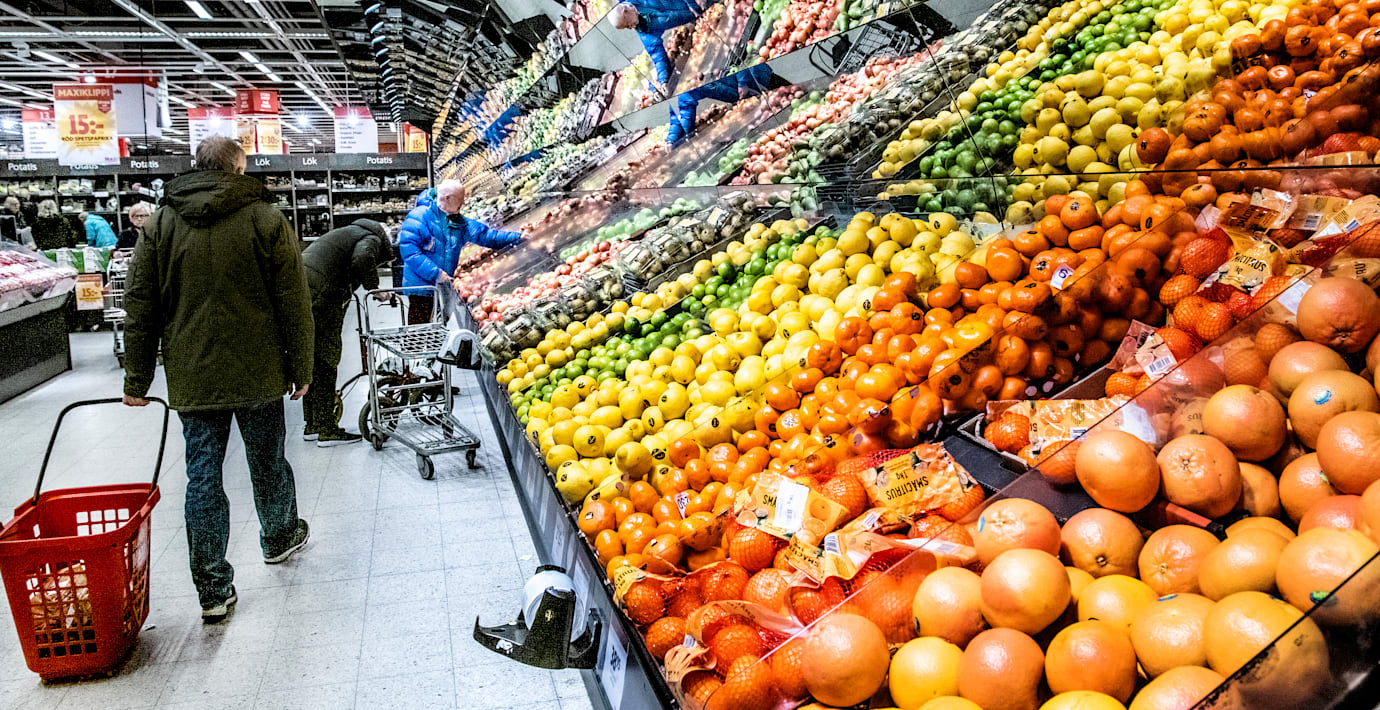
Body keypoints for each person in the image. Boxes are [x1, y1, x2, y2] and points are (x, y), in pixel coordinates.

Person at [122, 136, 314, 623]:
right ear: (237, 169)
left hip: (194, 375)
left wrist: (137, 379)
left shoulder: (160, 224)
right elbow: (294, 299)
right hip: (259, 369)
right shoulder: (265, 218)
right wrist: (302, 367)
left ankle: (212, 589)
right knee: (267, 460)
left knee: (203, 477)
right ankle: (279, 536)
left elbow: (140, 303)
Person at [300, 218, 391, 445]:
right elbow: (362, 259)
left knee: (314, 360)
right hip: (321, 296)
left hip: (304, 291)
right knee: (326, 359)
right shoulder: (370, 238)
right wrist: (374, 288)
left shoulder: (349, 232)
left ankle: (313, 424)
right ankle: (327, 430)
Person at [399, 179, 521, 325]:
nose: (463, 203)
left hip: (443, 287)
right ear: (448, 198)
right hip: (421, 288)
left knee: (439, 327)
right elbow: (410, 253)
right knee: (419, 329)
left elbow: (487, 236)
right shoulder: (419, 217)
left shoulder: (457, 221)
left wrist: (518, 237)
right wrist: (436, 274)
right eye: (460, 199)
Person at [610, 0, 710, 90]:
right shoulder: (643, 28)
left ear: (625, 11)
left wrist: (692, 2)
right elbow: (657, 55)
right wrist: (663, 81)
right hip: (700, 14)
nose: (630, 28)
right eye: (626, 27)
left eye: (627, 24)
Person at [667, 63, 774, 145]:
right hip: (745, 96)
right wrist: (673, 137)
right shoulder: (690, 87)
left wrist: (743, 81)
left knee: (777, 98)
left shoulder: (698, 79)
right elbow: (682, 107)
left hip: (759, 78)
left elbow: (743, 63)